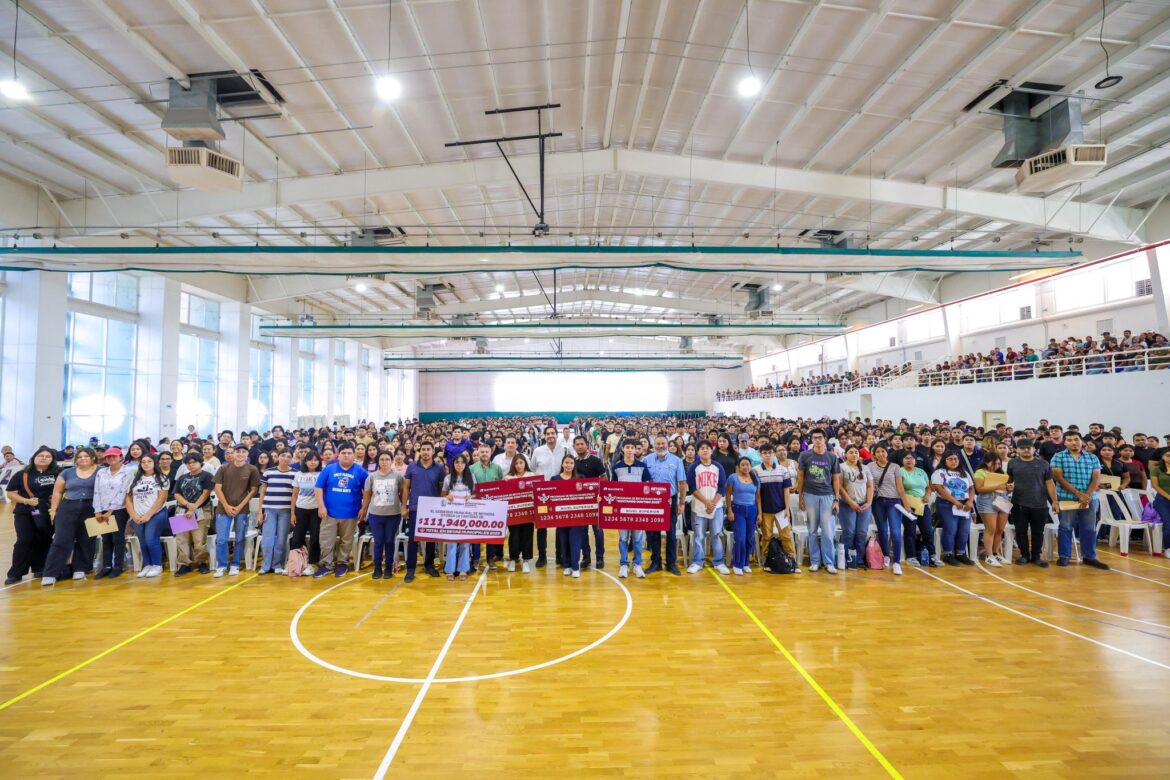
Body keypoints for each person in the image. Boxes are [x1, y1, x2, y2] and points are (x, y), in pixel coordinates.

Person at [41, 447, 100, 586]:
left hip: (91, 508)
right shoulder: (67, 472)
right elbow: (57, 492)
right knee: (61, 540)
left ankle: (80, 569)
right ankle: (50, 573)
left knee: (86, 540)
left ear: (93, 458)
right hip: (68, 507)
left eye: (86, 456)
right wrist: (54, 510)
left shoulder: (101, 471)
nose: (82, 459)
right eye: (79, 457)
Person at [1051, 432, 1109, 569]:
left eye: (1076, 439)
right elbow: (1058, 478)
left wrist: (1087, 495)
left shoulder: (1092, 457)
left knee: (1089, 528)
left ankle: (1089, 557)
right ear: (1064, 443)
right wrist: (1078, 494)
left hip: (1089, 499)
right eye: (1069, 440)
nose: (1073, 442)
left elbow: (1096, 478)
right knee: (1065, 526)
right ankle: (1064, 556)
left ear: (1081, 441)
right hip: (1066, 497)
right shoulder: (1058, 457)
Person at [4, 446, 59, 585]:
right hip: (25, 511)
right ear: (34, 457)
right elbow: (10, 492)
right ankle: (16, 573)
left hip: (47, 511)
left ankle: (40, 567)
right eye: (41, 455)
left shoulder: (58, 473)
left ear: (52, 459)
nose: (44, 458)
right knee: (24, 540)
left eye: (48, 456)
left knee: (44, 539)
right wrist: (26, 500)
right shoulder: (23, 473)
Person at [313, 442, 368, 578]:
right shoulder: (329, 469)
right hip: (329, 512)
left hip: (351, 513)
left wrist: (364, 507)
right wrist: (321, 506)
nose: (346, 455)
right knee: (326, 540)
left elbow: (367, 490)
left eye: (349, 453)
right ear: (339, 455)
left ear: (354, 455)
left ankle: (342, 563)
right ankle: (326, 564)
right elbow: (318, 487)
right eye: (343, 453)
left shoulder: (360, 471)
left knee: (346, 540)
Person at [795, 429, 841, 575]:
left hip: (828, 495)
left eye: (820, 438)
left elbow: (836, 479)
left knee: (828, 531)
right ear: (811, 440)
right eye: (814, 438)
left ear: (825, 439)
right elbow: (800, 477)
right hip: (810, 495)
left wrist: (836, 499)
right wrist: (801, 496)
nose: (817, 440)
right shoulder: (805, 455)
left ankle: (829, 562)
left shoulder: (832, 457)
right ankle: (815, 561)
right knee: (812, 530)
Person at [212, 444, 261, 578]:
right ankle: (222, 565)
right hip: (223, 509)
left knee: (240, 538)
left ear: (247, 454)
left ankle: (235, 564)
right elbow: (217, 488)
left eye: (243, 452)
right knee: (221, 539)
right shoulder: (223, 468)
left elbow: (253, 490)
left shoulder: (252, 469)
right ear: (233, 454)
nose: (240, 454)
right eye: (237, 451)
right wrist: (227, 506)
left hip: (242, 509)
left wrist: (239, 506)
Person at [402, 440, 445, 583]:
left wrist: (438, 505)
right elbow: (406, 488)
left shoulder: (439, 468)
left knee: (431, 538)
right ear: (420, 451)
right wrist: (404, 506)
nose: (426, 452)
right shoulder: (412, 466)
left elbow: (441, 489)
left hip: (432, 509)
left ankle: (429, 564)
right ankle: (411, 569)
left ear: (433, 451)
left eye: (428, 449)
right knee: (413, 539)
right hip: (415, 508)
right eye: (423, 449)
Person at [644, 434, 686, 576]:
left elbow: (682, 483)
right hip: (652, 501)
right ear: (654, 445)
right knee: (654, 533)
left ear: (668, 445)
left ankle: (671, 563)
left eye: (663, 443)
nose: (661, 446)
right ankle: (656, 562)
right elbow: (643, 482)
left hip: (670, 500)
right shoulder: (646, 460)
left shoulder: (677, 461)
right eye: (658, 444)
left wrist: (681, 503)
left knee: (671, 533)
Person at [686, 441, 730, 575]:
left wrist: (713, 503)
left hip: (716, 508)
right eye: (702, 449)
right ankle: (697, 562)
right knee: (699, 536)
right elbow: (692, 488)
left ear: (711, 451)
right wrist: (706, 502)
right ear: (698, 452)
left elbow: (722, 487)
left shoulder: (718, 467)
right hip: (699, 508)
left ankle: (719, 562)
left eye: (707, 448)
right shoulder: (693, 467)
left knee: (716, 534)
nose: (705, 450)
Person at [360, 451, 405, 580]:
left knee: (390, 541)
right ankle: (377, 567)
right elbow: (367, 495)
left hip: (393, 514)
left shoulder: (398, 476)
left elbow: (402, 494)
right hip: (375, 514)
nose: (384, 462)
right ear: (378, 462)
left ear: (392, 461)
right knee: (378, 542)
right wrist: (363, 510)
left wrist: (404, 508)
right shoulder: (372, 477)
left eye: (387, 459)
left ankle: (388, 568)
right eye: (382, 459)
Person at [611, 439, 652, 579]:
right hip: (622, 508)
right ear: (622, 449)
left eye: (632, 447)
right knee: (623, 538)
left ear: (636, 450)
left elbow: (648, 485)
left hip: (638, 508)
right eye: (627, 447)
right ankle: (623, 564)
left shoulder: (642, 466)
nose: (629, 450)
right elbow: (612, 488)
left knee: (637, 538)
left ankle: (637, 564)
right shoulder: (616, 467)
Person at [755, 443, 799, 572]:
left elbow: (786, 491)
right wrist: (760, 512)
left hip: (781, 510)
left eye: (770, 452)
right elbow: (757, 495)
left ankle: (792, 562)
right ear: (761, 455)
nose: (767, 455)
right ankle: (768, 562)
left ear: (774, 454)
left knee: (786, 536)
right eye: (765, 453)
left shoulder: (783, 470)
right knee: (766, 537)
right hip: (765, 511)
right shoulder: (756, 471)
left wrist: (786, 508)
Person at [91, 447, 134, 579]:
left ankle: (118, 566)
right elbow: (96, 491)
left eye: (114, 456)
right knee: (106, 539)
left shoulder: (127, 472)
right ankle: (106, 566)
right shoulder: (101, 472)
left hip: (119, 510)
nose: (111, 459)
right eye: (108, 457)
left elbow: (123, 492)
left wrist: (111, 511)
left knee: (117, 538)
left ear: (121, 457)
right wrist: (97, 510)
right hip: (102, 509)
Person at [126, 453, 170, 578]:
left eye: (149, 461)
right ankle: (147, 565)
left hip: (156, 514)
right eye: (143, 462)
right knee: (143, 541)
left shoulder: (161, 478)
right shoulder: (135, 479)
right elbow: (128, 499)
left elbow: (161, 498)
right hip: (138, 515)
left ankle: (157, 565)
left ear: (154, 463)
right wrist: (133, 515)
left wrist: (148, 515)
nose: (146, 464)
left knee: (151, 539)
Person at [865, 445, 905, 572]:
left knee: (895, 532)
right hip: (878, 501)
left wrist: (906, 504)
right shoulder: (870, 466)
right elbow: (869, 485)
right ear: (874, 454)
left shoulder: (895, 467)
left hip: (894, 501)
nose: (881, 454)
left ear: (887, 453)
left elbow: (900, 487)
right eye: (878, 451)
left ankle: (897, 561)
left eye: (883, 451)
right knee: (882, 530)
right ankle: (886, 555)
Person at [530, 426, 566, 567]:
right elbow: (533, 468)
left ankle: (559, 555)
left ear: (557, 435)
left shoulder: (565, 450)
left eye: (553, 433)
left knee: (560, 526)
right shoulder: (538, 451)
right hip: (542, 493)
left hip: (560, 492)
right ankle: (542, 556)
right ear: (544, 436)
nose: (550, 436)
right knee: (541, 525)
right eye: (548, 434)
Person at [173, 452, 213, 575]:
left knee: (199, 539)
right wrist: (187, 505)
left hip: (201, 510)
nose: (191, 465)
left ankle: (201, 562)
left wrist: (193, 508)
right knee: (182, 539)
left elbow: (206, 493)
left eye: (193, 462)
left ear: (200, 462)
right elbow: (176, 494)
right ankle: (184, 564)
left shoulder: (207, 476)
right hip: (182, 510)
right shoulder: (182, 477)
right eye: (188, 463)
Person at [932, 452, 975, 566]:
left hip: (964, 505)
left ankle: (961, 554)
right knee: (951, 529)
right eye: (950, 459)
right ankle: (948, 554)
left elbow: (971, 488)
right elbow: (939, 488)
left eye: (955, 459)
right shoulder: (940, 472)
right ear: (944, 461)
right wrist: (954, 501)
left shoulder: (964, 473)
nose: (953, 461)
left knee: (964, 530)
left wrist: (970, 501)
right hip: (946, 504)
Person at [257, 449, 295, 575]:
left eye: (289, 456)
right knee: (268, 539)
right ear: (278, 457)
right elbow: (262, 492)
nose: (285, 458)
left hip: (286, 511)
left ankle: (277, 564)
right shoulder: (269, 472)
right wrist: (260, 512)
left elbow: (296, 495)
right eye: (283, 455)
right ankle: (266, 565)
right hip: (270, 510)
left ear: (292, 459)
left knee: (281, 539)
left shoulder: (296, 473)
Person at [573, 435, 607, 569]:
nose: (580, 446)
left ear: (587, 445)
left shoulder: (596, 461)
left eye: (582, 444)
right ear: (574, 446)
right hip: (580, 503)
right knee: (582, 531)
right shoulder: (573, 462)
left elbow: (604, 478)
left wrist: (601, 494)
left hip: (595, 502)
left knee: (598, 531)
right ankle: (586, 557)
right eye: (577, 444)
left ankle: (599, 557)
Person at [551, 455, 588, 578]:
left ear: (574, 465)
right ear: (562, 464)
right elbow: (549, 497)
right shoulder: (554, 479)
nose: (568, 465)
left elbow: (588, 495)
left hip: (577, 517)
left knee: (575, 542)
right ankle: (567, 565)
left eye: (571, 463)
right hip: (561, 517)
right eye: (566, 462)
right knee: (564, 541)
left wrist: (596, 498)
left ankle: (575, 567)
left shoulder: (581, 478)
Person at [838, 445, 875, 571]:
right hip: (847, 505)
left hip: (864, 504)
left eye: (856, 452)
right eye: (851, 452)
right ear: (845, 454)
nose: (854, 455)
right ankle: (849, 558)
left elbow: (870, 486)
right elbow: (840, 487)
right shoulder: (841, 467)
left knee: (861, 532)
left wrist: (869, 502)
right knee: (849, 532)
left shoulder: (865, 468)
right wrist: (851, 503)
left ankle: (859, 559)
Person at [899, 451, 939, 567]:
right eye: (906, 458)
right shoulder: (900, 472)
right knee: (910, 531)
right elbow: (900, 490)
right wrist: (906, 504)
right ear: (902, 460)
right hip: (908, 504)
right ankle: (911, 556)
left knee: (927, 530)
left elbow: (929, 487)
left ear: (915, 460)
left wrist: (927, 495)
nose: (909, 460)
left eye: (911, 458)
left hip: (922, 504)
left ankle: (932, 555)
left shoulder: (921, 472)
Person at [441, 453, 476, 581]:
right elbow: (442, 495)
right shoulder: (448, 478)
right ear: (453, 464)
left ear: (466, 464)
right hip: (451, 516)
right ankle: (450, 570)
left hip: (467, 515)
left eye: (462, 462)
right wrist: (446, 497)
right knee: (451, 543)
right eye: (457, 462)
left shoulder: (471, 477)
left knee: (465, 544)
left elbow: (475, 494)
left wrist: (470, 497)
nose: (459, 465)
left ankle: (463, 569)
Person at [973, 452, 1011, 567]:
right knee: (991, 529)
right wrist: (997, 487)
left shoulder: (1001, 473)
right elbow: (979, 489)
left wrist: (1009, 488)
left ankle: (995, 553)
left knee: (1000, 529)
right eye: (994, 463)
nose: (997, 466)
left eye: (999, 463)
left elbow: (1004, 488)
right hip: (986, 501)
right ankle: (989, 555)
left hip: (1002, 500)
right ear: (986, 462)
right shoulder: (980, 472)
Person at [470, 444, 505, 568]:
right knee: (476, 534)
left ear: (490, 453)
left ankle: (490, 558)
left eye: (486, 452)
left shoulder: (497, 468)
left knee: (491, 532)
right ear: (478, 454)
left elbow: (502, 486)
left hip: (492, 506)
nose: (484, 454)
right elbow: (469, 488)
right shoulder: (471, 468)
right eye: (482, 452)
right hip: (476, 506)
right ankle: (476, 558)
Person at [502, 453, 537, 573]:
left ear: (525, 464)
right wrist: (504, 482)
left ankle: (526, 560)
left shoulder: (531, 475)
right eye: (516, 463)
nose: (519, 465)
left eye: (521, 463)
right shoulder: (508, 477)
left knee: (528, 535)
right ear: (513, 465)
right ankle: (513, 558)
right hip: (514, 513)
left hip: (528, 512)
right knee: (514, 536)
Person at [290, 451, 323, 576]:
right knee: (297, 538)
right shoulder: (299, 474)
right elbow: (295, 494)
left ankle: (313, 563)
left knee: (315, 538)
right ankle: (296, 564)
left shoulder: (322, 474)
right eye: (310, 459)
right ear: (305, 461)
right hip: (301, 509)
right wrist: (293, 513)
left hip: (316, 510)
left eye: (315, 459)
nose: (313, 462)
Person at [725, 456, 760, 576]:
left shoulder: (755, 478)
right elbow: (728, 494)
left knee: (749, 539)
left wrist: (759, 513)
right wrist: (729, 510)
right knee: (740, 538)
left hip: (752, 510)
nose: (746, 467)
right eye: (743, 465)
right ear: (739, 467)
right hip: (738, 510)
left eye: (748, 465)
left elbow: (758, 498)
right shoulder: (733, 478)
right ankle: (737, 564)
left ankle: (746, 563)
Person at [1150, 451, 1170, 545]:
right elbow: (1155, 486)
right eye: (1168, 455)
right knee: (1168, 524)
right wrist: (1168, 497)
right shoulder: (1156, 469)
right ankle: (1168, 547)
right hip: (1162, 501)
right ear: (1162, 457)